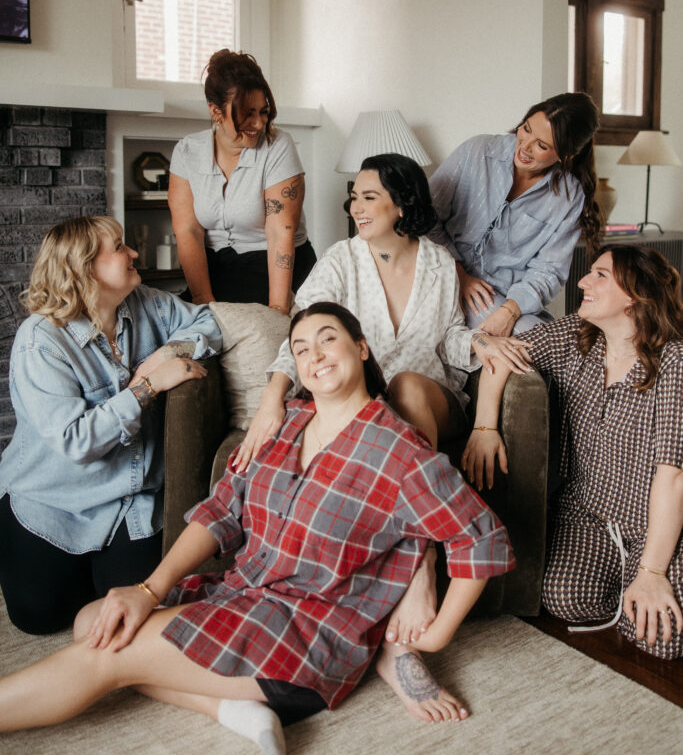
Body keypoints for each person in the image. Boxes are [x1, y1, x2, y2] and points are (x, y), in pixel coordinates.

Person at [0, 302, 515, 749]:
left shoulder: (400, 452)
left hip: (306, 638)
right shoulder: (287, 424)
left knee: (106, 652)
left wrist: (434, 639)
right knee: (95, 617)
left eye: (328, 340)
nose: (314, 355)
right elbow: (221, 512)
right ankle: (233, 710)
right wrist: (147, 588)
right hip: (243, 595)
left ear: (361, 349)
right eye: (301, 348)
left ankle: (254, 696)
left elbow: (479, 537)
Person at [0, 216, 221, 635]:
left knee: (135, 611)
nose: (134, 252)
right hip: (53, 500)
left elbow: (208, 321)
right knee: (38, 617)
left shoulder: (147, 304)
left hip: (128, 500)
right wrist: (147, 386)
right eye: (120, 247)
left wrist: (166, 353)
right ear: (85, 268)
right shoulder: (41, 340)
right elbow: (75, 440)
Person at [237, 153, 531, 467]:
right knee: (368, 412)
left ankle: (418, 494)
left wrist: (480, 341)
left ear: (402, 203)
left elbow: (449, 337)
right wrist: (272, 397)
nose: (356, 208)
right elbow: (304, 334)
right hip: (361, 399)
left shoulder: (440, 263)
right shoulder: (340, 260)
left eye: (369, 197)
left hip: (430, 396)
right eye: (353, 198)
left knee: (407, 384)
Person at [463, 244, 683, 659]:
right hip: (590, 514)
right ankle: (625, 586)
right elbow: (498, 352)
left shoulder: (674, 362)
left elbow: (672, 476)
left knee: (666, 640)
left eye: (599, 275)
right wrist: (485, 426)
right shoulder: (575, 336)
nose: (583, 281)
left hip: (655, 524)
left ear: (635, 295)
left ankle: (642, 578)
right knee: (564, 597)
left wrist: (652, 572)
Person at [429, 91, 601, 336]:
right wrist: (459, 274)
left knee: (546, 339)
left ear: (566, 156)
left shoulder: (568, 197)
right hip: (445, 277)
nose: (525, 146)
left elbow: (549, 269)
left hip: (507, 299)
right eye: (526, 128)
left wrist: (510, 310)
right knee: (532, 340)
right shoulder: (477, 152)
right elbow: (426, 217)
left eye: (542, 146)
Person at [169, 49, 316, 310]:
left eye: (263, 112)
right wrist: (203, 301)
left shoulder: (278, 145)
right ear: (216, 111)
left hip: (271, 266)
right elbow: (188, 231)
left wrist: (278, 311)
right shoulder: (187, 151)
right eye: (248, 113)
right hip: (218, 268)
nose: (259, 123)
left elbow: (279, 232)